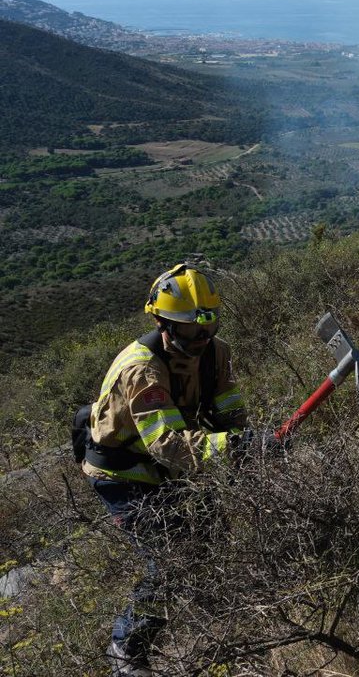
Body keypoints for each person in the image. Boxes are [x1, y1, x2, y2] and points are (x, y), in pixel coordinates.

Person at [79, 263, 264, 676]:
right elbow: (169, 445)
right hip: (123, 471)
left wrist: (251, 442)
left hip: (170, 462)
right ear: (162, 322)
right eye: (189, 329)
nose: (201, 338)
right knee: (169, 558)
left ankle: (211, 606)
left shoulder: (216, 352)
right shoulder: (141, 369)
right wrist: (236, 447)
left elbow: (229, 404)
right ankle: (127, 647)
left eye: (208, 327)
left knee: (210, 529)